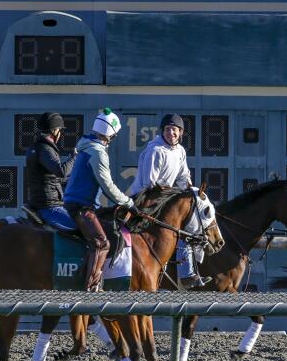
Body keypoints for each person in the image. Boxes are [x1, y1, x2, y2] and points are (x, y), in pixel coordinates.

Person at [129, 114, 209, 287]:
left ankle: (188, 274)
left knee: (188, 226)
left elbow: (183, 176)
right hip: (145, 199)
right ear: (162, 132)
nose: (171, 133)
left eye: (174, 129)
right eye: (167, 129)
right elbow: (150, 184)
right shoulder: (155, 150)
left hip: (163, 198)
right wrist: (175, 194)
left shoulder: (180, 151)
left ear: (180, 133)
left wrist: (188, 187)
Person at [63, 108, 136, 292]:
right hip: (82, 207)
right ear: (111, 133)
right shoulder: (98, 153)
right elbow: (107, 186)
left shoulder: (85, 145)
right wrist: (128, 202)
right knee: (102, 243)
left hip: (77, 204)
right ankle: (92, 288)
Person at [23, 112, 76, 231]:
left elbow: (54, 178)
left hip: (42, 203)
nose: (60, 133)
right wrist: (74, 158)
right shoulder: (45, 149)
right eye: (60, 130)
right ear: (55, 130)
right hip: (49, 207)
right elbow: (61, 171)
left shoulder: (36, 147)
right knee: (80, 227)